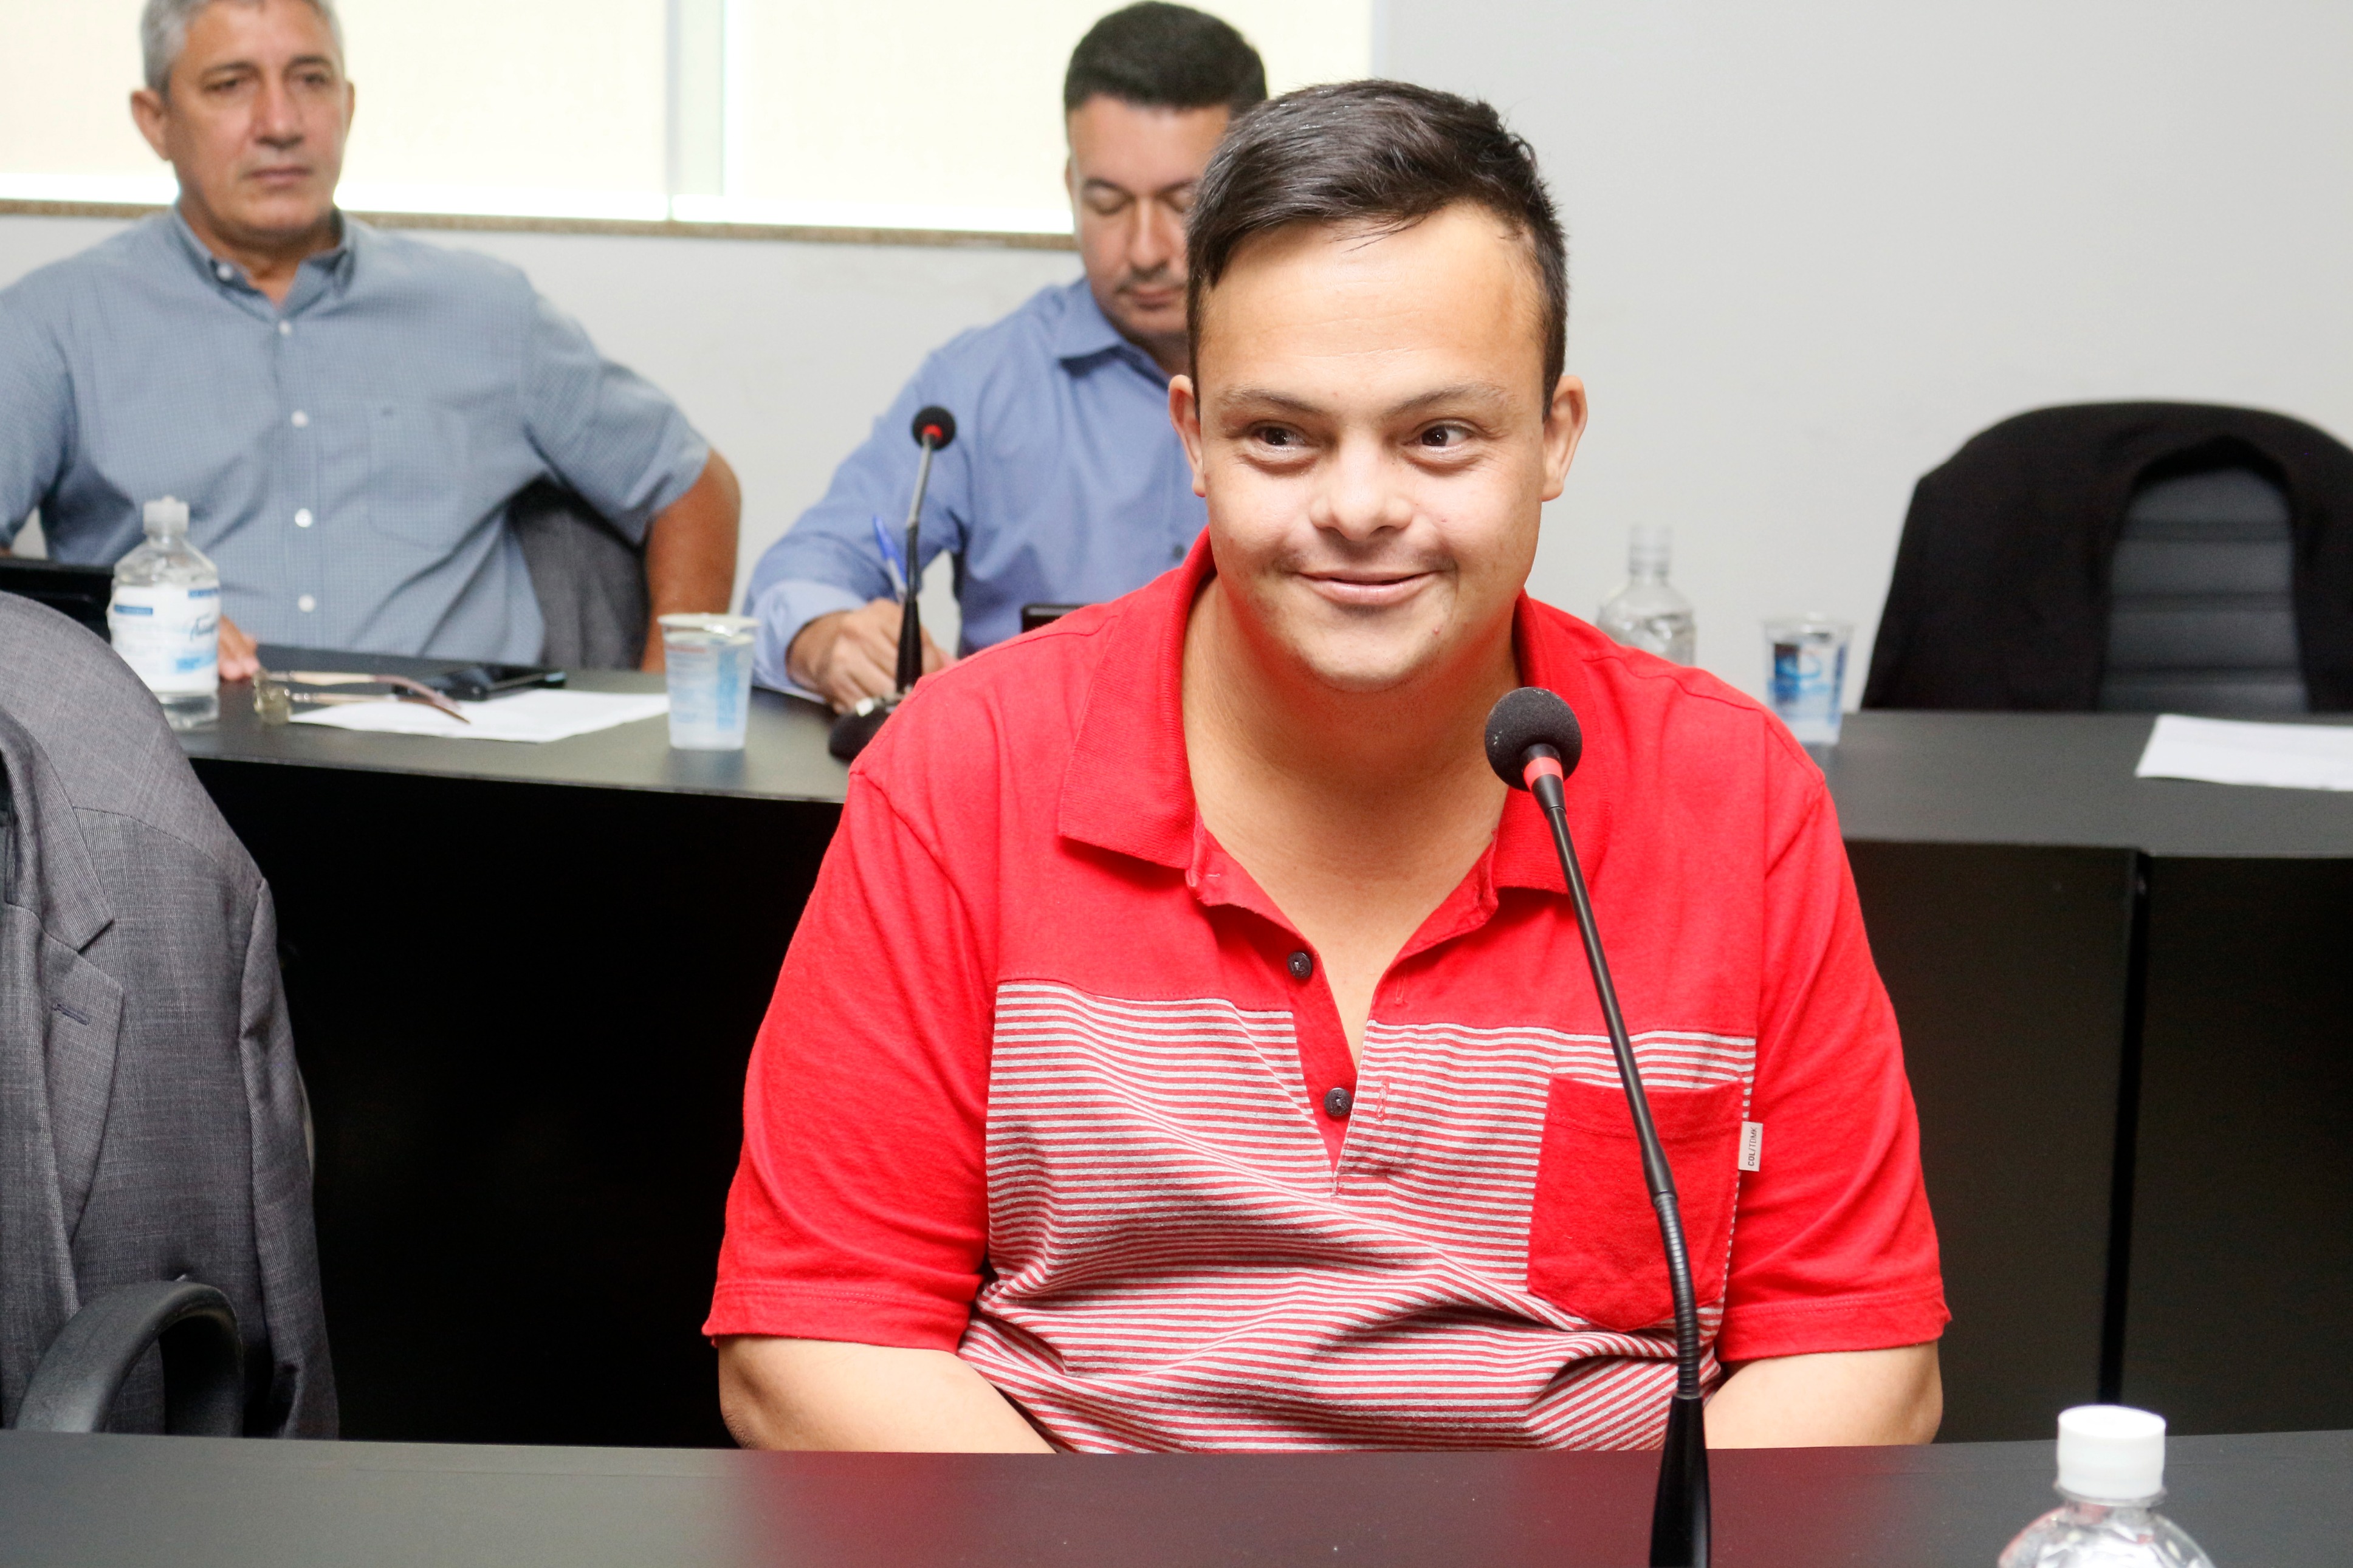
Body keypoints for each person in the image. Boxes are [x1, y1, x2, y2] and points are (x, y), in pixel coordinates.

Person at [706, 81, 1948, 1452]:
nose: (1359, 508)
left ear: (1554, 440)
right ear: (1192, 438)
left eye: (1439, 435)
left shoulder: (1732, 793)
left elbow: (1860, 1365)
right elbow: (816, 1342)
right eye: (1281, 437)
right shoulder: (965, 766)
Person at [0, 0, 739, 677]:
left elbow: (692, 487)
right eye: (231, 85)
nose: (281, 123)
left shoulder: (485, 311)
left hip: (457, 755)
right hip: (171, 750)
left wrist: (657, 719)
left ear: (348, 105)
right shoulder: (56, 324)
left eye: (311, 80)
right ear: (155, 120)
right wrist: (101, 630)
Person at [746, 2, 1262, 710]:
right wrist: (827, 637)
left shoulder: (1339, 371)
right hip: (1029, 763)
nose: (1145, 249)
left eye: (1183, 202)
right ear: (1070, 186)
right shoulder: (977, 386)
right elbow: (801, 571)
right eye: (1107, 202)